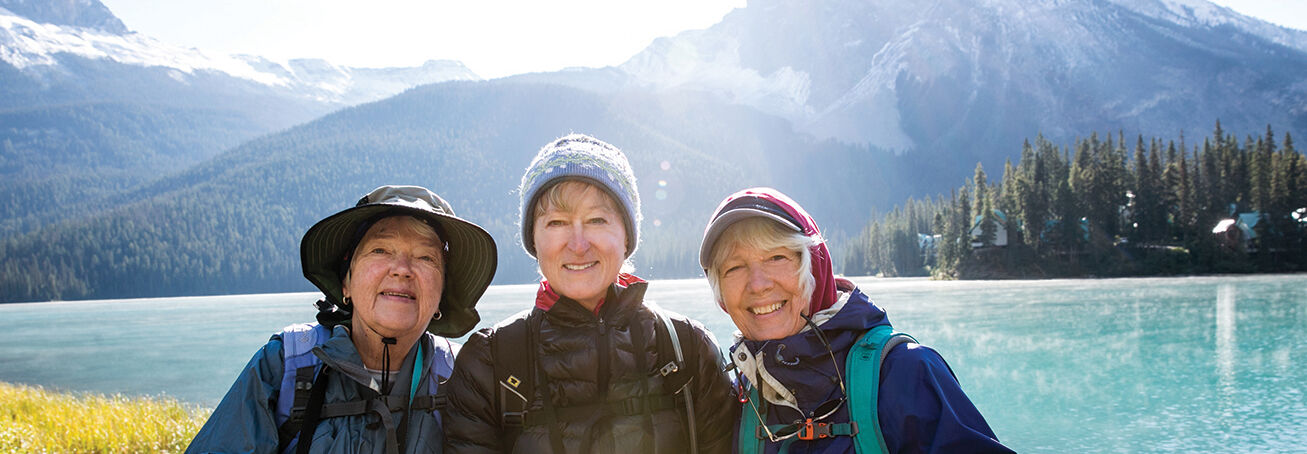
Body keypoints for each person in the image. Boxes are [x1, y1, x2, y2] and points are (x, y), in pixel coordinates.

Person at [444, 134, 738, 453]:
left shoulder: (687, 349)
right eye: (556, 222)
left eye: (597, 220)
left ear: (627, 236)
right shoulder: (490, 363)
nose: (579, 244)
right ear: (534, 241)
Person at [187, 185, 498, 454]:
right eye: (380, 250)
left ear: (441, 293)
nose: (402, 268)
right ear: (345, 284)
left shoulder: (463, 377)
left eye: (425, 257)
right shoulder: (285, 365)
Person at [698, 187, 1012, 453]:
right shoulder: (736, 400)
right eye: (734, 268)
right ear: (721, 294)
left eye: (776, 257)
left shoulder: (905, 373)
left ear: (815, 268)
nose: (758, 284)